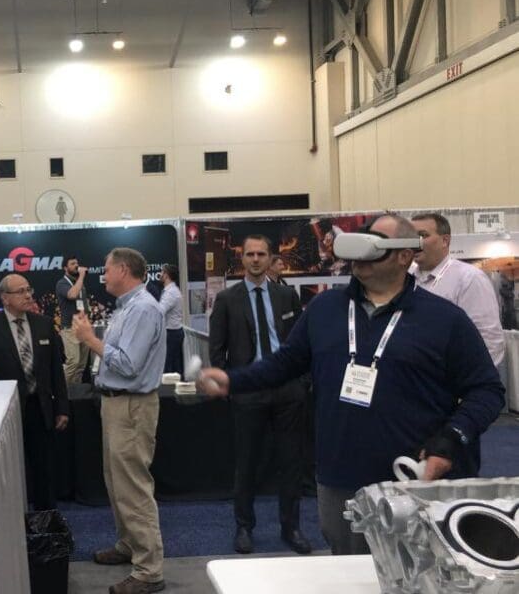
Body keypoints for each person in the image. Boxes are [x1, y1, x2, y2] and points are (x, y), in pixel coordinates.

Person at [197, 215, 504, 555]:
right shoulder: (325, 309)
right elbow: (285, 363)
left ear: (404, 255)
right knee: (349, 571)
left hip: (413, 480)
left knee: (420, 569)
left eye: (374, 246)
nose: (361, 255)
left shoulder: (444, 320)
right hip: (340, 478)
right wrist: (231, 379)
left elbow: (487, 391)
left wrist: (451, 439)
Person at [209, 235, 311, 555]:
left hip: (288, 392)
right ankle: (243, 527)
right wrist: (229, 386)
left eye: (261, 254)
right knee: (247, 464)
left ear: (271, 258)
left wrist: (303, 381)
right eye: (250, 254)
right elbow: (217, 350)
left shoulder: (286, 296)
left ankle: (291, 527)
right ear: (242, 258)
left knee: (291, 462)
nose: (255, 259)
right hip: (248, 392)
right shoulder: (227, 299)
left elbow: (300, 344)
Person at [72, 247, 166, 594]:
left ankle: (149, 570)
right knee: (117, 483)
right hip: (117, 404)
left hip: (131, 406)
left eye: (108, 270)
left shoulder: (142, 309)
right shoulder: (128, 308)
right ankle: (129, 545)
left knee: (133, 487)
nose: (103, 276)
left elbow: (127, 364)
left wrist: (89, 340)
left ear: (124, 270)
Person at [0, 274, 69, 510]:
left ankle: (47, 521)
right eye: (20, 291)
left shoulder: (44, 324)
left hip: (40, 408)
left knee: (43, 469)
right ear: (5, 298)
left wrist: (62, 408)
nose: (28, 295)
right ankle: (14, 520)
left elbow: (56, 370)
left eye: (29, 290)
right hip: (6, 412)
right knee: (10, 470)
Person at [410, 213, 505, 368]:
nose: (415, 242)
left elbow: (489, 340)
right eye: (411, 236)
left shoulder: (469, 279)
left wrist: (468, 384)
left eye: (423, 235)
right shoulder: (407, 279)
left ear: (445, 240)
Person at [55, 255, 89, 384]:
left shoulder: (78, 283)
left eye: (77, 263)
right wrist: (81, 276)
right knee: (73, 362)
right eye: (72, 264)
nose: (76, 265)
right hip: (69, 328)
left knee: (81, 365)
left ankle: (75, 393)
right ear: (65, 268)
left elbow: (83, 303)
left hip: (82, 328)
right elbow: (72, 295)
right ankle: (60, 390)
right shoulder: (62, 283)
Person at [158, 264, 184, 374]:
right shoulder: (170, 291)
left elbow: (160, 311)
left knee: (170, 366)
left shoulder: (171, 293)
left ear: (167, 275)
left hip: (172, 333)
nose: (160, 275)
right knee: (174, 364)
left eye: (162, 272)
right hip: (172, 332)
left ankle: (170, 389)